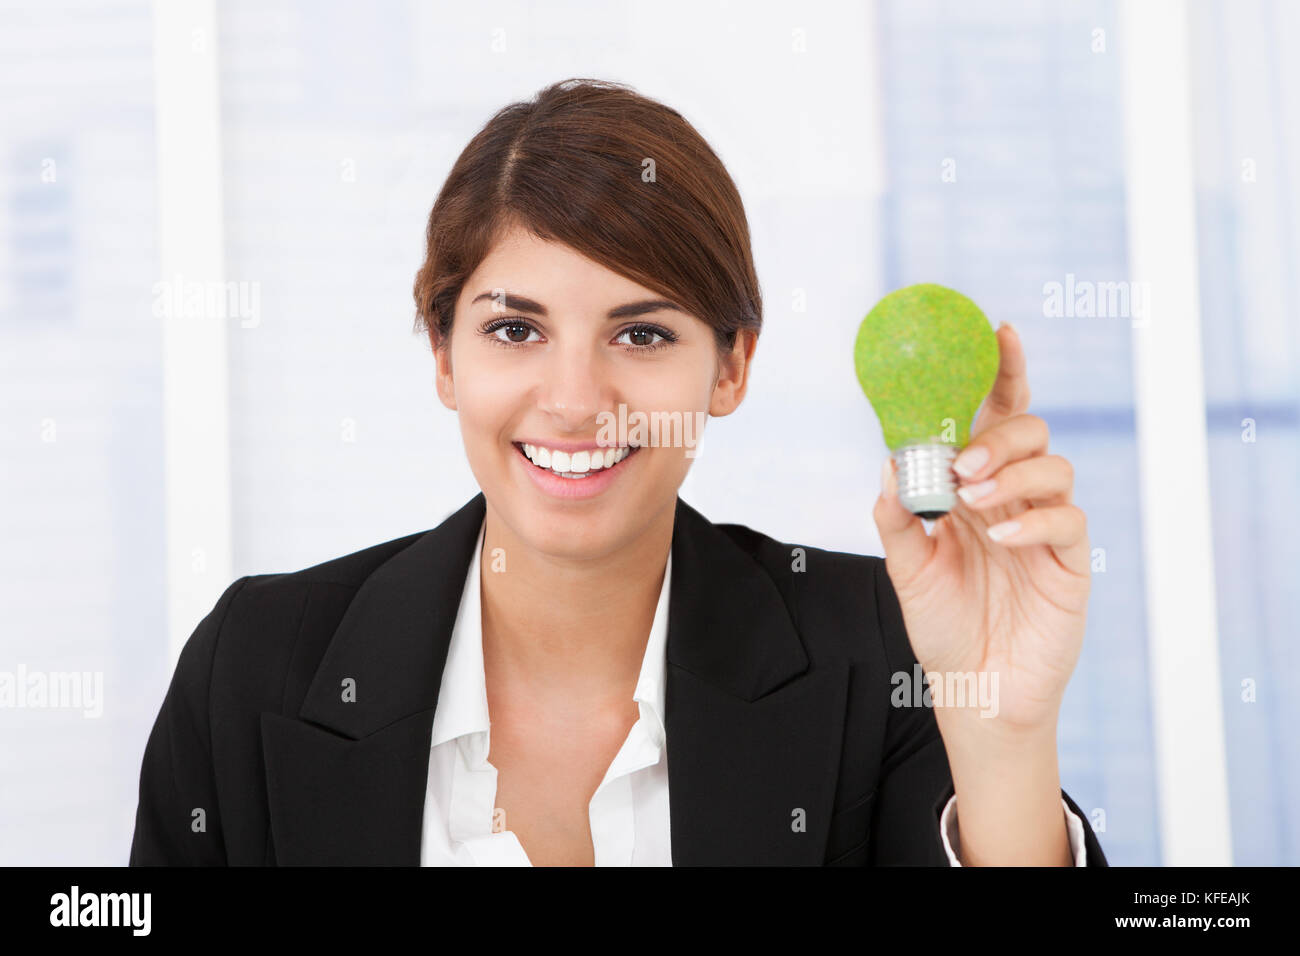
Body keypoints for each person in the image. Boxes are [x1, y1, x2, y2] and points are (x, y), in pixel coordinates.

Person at [129, 77, 1106, 867]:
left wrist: (1000, 728)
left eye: (640, 333)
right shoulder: (253, 667)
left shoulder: (887, 647)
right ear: (442, 356)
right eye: (515, 328)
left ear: (730, 366)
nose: (574, 398)